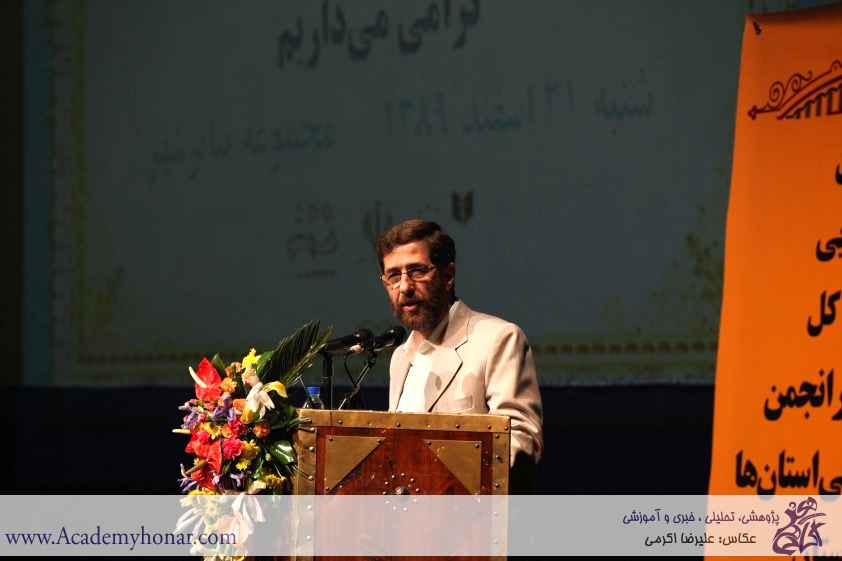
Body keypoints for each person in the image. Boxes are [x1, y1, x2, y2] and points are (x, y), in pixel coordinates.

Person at [376, 219, 544, 480]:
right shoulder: (400, 357)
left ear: (448, 275)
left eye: (417, 271)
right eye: (394, 276)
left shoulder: (498, 339)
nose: (405, 287)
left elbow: (521, 443)